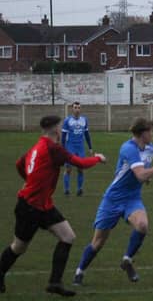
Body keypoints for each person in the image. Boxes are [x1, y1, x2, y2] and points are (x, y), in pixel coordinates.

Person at [0, 115, 105, 296]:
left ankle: (55, 283)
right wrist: (97, 158)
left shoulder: (37, 146)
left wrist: (29, 180)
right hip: (30, 207)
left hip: (43, 206)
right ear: (57, 130)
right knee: (19, 247)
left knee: (68, 236)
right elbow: (80, 163)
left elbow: (19, 164)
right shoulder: (53, 149)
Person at [73, 118, 153, 285]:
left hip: (132, 198)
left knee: (142, 225)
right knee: (97, 243)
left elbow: (141, 173)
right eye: (150, 131)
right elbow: (140, 174)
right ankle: (79, 271)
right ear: (143, 134)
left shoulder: (150, 148)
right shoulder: (128, 148)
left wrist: (145, 178)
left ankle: (127, 260)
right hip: (113, 199)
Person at [62, 101, 93, 196]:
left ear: (81, 109)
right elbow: (63, 136)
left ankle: (80, 189)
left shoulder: (84, 120)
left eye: (79, 108)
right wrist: (62, 149)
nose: (77, 109)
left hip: (80, 148)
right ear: (72, 109)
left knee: (80, 168)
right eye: (75, 107)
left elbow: (87, 134)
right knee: (68, 169)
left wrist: (90, 147)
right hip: (70, 147)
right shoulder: (67, 121)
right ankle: (67, 190)